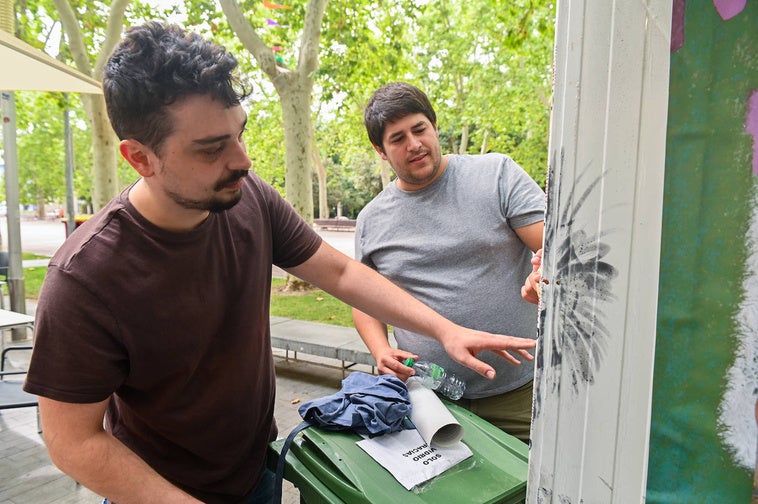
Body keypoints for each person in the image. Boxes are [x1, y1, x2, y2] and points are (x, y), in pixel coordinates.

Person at [22, 24, 538, 504]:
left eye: (240, 133)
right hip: (157, 488)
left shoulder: (248, 198)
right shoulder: (84, 278)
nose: (243, 159)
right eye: (211, 148)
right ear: (140, 158)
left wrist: (444, 330)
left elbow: (340, 273)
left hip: (258, 468)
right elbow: (74, 442)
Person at [353, 82, 545, 443]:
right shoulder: (372, 219)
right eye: (397, 138)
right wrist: (381, 351)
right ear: (380, 150)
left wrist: (544, 273)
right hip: (429, 397)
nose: (414, 144)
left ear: (435, 127)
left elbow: (550, 246)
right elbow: (365, 303)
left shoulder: (496, 174)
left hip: (520, 393)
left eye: (420, 129)